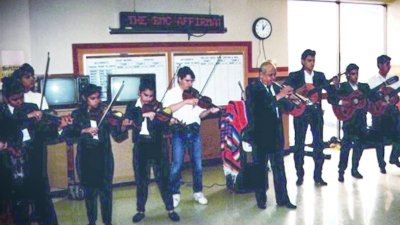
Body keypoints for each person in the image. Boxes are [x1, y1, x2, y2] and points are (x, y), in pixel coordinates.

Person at [0, 77, 69, 225]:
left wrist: (58, 127)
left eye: (21, 97)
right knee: (18, 209)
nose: (19, 102)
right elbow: (9, 126)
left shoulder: (30, 106)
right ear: (5, 98)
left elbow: (43, 132)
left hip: (34, 163)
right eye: (14, 99)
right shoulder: (2, 113)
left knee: (44, 205)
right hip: (11, 168)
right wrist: (26, 117)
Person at [63, 84, 127, 225]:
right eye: (93, 98)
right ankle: (92, 221)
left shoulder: (106, 113)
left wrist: (122, 126)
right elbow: (68, 135)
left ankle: (107, 222)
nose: (97, 101)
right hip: (86, 158)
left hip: (104, 158)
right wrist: (83, 131)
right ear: (84, 98)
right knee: (89, 193)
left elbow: (118, 136)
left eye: (98, 98)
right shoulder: (77, 115)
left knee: (106, 193)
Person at [123, 79, 180, 223]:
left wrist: (168, 121)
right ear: (139, 94)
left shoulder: (158, 106)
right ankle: (140, 210)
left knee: (163, 179)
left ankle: (171, 209)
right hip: (141, 146)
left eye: (151, 96)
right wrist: (143, 115)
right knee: (141, 180)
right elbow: (128, 119)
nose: (148, 99)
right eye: (145, 95)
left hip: (157, 145)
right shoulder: (132, 106)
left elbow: (163, 127)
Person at [243, 61, 296, 210]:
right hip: (260, 135)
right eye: (270, 75)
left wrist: (291, 98)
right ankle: (261, 200)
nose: (273, 78)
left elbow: (288, 107)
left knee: (279, 168)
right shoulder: (253, 89)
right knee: (260, 169)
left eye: (274, 75)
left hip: (276, 135)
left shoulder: (275, 88)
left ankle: (283, 199)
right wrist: (279, 96)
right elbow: (261, 108)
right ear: (261, 74)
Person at [163, 66, 220, 207]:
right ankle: (175, 194)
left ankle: (198, 192)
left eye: (191, 81)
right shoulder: (171, 93)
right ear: (179, 80)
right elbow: (167, 111)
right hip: (179, 131)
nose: (190, 84)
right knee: (176, 164)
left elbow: (200, 114)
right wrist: (186, 102)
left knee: (198, 164)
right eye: (187, 81)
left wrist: (209, 111)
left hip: (194, 131)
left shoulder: (195, 95)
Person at [284, 49, 336, 186]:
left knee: (318, 144)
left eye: (313, 60)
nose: (312, 63)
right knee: (299, 144)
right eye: (309, 60)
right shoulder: (294, 76)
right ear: (302, 61)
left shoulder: (320, 76)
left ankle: (318, 176)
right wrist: (298, 91)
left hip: (316, 113)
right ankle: (299, 175)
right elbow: (285, 91)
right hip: (300, 113)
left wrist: (334, 87)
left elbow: (330, 92)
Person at [328, 64, 370, 182]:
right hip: (349, 121)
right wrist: (342, 101)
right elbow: (331, 98)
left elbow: (372, 96)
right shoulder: (343, 87)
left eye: (357, 73)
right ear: (347, 75)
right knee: (345, 147)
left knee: (359, 146)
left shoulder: (364, 87)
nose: (355, 76)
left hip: (361, 121)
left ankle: (355, 169)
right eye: (352, 74)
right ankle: (341, 171)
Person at [367, 55, 400, 173]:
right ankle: (382, 165)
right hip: (378, 112)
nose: (389, 66)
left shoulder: (395, 79)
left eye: (389, 63)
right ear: (379, 65)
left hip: (392, 111)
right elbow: (368, 98)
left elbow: (396, 97)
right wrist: (379, 101)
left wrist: (393, 99)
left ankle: (394, 157)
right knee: (378, 140)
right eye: (386, 63)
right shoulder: (372, 81)